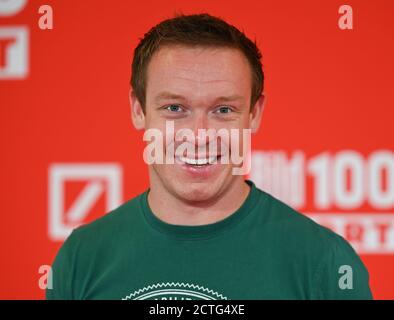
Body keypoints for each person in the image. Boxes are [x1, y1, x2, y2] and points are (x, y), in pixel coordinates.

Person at [47, 13, 372, 300]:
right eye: (175, 108)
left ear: (255, 114)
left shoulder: (325, 263)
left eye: (223, 110)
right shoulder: (82, 257)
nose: (200, 134)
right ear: (137, 109)